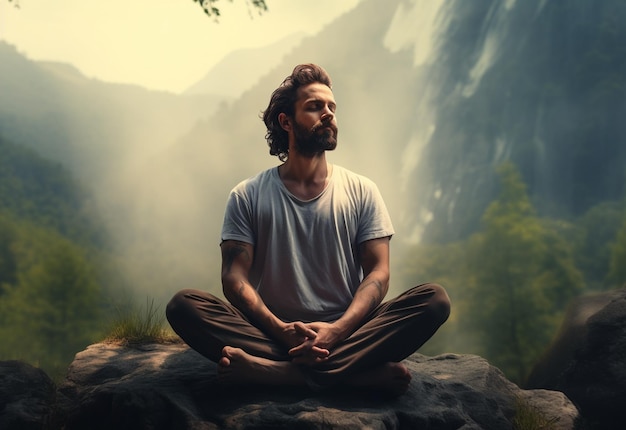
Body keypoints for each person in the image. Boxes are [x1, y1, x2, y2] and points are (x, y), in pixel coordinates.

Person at [166, 63, 450, 396]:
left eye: (332, 107)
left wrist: (337, 330)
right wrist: (282, 330)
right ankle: (353, 376)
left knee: (433, 300)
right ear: (286, 122)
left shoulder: (363, 190)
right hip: (271, 332)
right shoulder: (248, 194)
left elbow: (378, 272)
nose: (328, 114)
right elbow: (234, 278)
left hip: (349, 331)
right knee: (183, 305)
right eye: (315, 107)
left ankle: (273, 373)